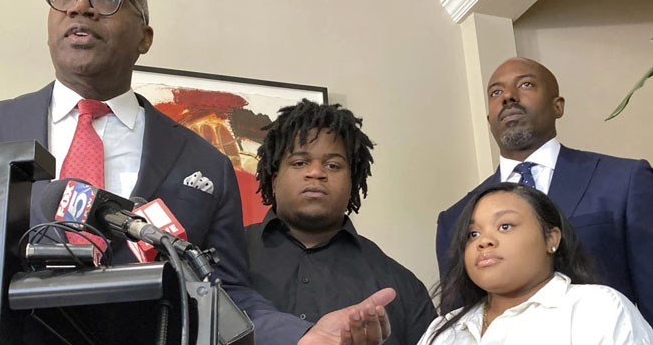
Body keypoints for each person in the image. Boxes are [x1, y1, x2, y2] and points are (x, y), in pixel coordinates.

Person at [0, 0, 394, 344]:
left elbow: (223, 290)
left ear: (144, 37)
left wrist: (299, 336)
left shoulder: (205, 164)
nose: (80, 5)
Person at [435, 57, 653, 324]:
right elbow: (463, 323)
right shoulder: (455, 219)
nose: (508, 97)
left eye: (525, 84)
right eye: (496, 92)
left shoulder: (625, 180)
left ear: (557, 106)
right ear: (489, 117)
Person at [245, 100, 436, 345]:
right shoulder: (227, 259)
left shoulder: (400, 285)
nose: (316, 172)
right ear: (274, 180)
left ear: (352, 184)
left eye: (332, 165)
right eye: (300, 162)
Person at [421, 182, 653, 344]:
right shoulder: (443, 329)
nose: (484, 241)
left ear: (551, 238)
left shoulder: (597, 308)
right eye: (472, 234)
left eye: (505, 226)